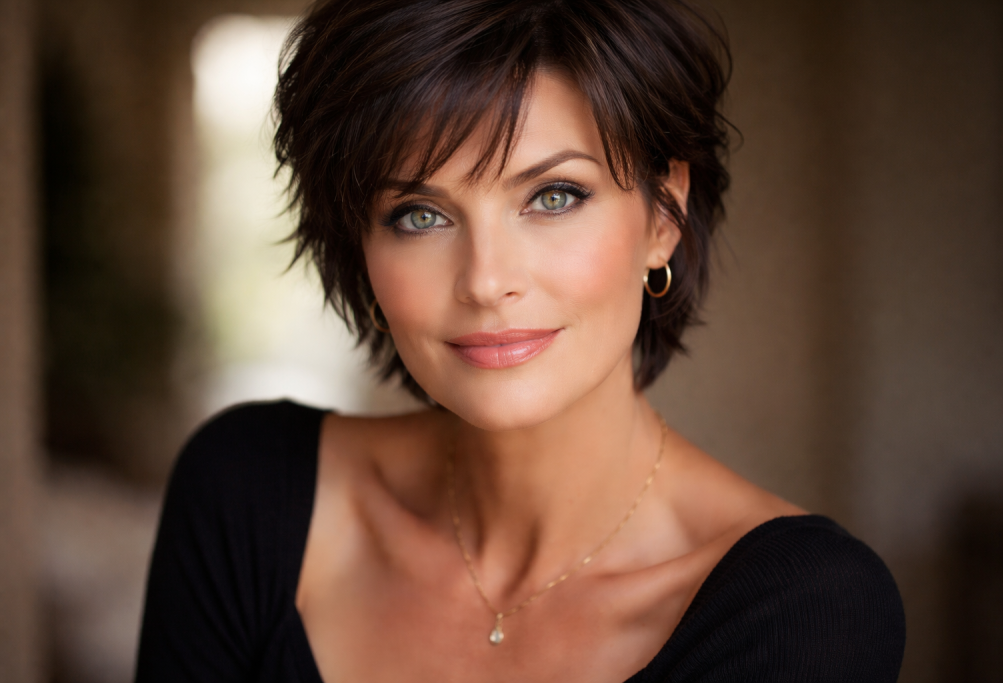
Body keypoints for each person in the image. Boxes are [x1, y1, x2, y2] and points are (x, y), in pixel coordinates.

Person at [135, 0, 906, 681]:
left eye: (553, 196)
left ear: (663, 214)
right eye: (420, 215)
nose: (485, 280)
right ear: (361, 250)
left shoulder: (802, 611)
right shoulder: (246, 497)